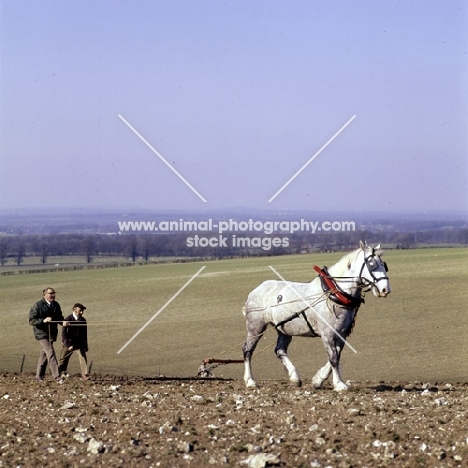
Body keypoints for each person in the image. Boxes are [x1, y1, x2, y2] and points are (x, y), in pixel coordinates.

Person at [29, 287, 67, 383]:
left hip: (52, 333)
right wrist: (43, 320)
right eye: (51, 293)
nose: (53, 295)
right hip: (41, 333)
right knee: (50, 352)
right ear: (44, 294)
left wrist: (63, 323)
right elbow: (32, 321)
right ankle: (57, 376)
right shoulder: (37, 305)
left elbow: (59, 317)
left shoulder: (56, 305)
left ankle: (38, 377)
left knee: (44, 355)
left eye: (54, 293)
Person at [59, 303, 90, 381]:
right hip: (69, 342)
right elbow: (63, 334)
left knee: (82, 357)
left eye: (82, 311)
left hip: (79, 343)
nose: (81, 313)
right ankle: (60, 373)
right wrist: (68, 345)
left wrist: (85, 345)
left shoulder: (83, 320)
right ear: (74, 309)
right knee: (63, 358)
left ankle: (85, 375)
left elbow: (84, 334)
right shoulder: (67, 319)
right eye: (80, 310)